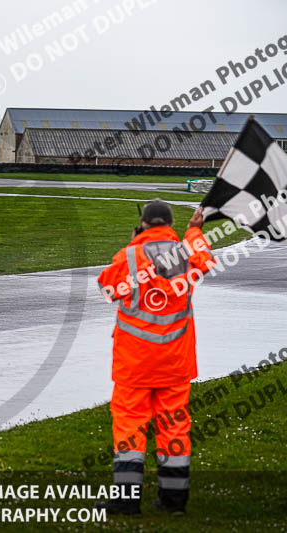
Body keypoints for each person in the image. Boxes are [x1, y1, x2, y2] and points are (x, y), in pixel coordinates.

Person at [94, 200, 214, 515]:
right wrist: (194, 231)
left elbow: (106, 288)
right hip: (175, 361)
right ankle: (174, 501)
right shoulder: (186, 253)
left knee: (130, 429)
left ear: (144, 224)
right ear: (169, 224)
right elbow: (205, 260)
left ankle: (126, 501)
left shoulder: (130, 256)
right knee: (174, 428)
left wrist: (134, 244)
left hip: (134, 364)